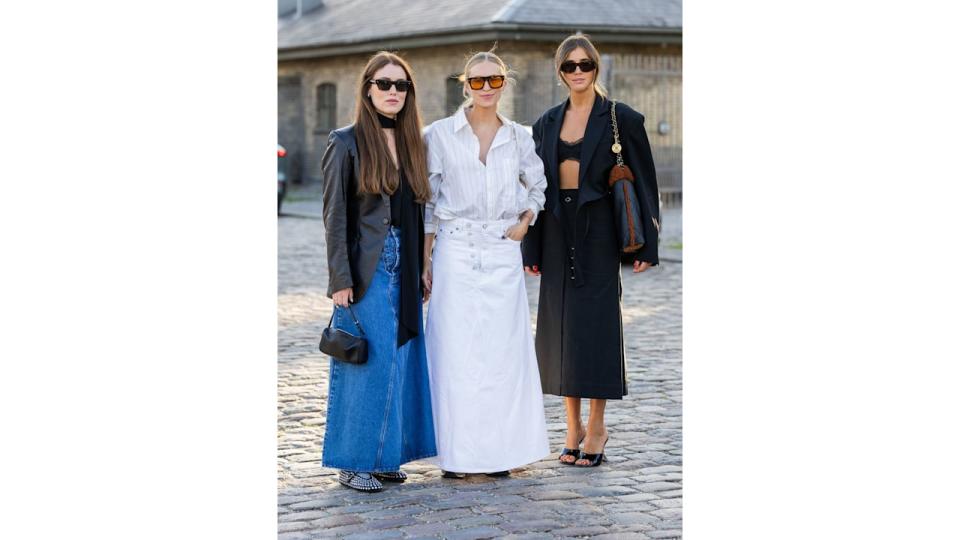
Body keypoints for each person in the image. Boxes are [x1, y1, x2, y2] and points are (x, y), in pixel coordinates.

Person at [522, 34, 660, 467]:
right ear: (559, 72)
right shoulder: (545, 122)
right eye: (570, 66)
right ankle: (572, 426)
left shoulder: (623, 118)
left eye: (585, 65)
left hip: (599, 228)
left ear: (596, 68)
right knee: (561, 327)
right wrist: (531, 247)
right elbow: (533, 187)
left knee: (597, 327)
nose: (578, 72)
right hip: (556, 229)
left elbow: (645, 183)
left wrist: (648, 244)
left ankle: (597, 427)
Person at [422, 49, 550, 478]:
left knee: (502, 355)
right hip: (455, 250)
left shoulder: (520, 136)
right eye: (478, 81)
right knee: (456, 353)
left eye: (494, 80)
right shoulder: (438, 135)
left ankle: (501, 454)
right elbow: (428, 205)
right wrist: (426, 261)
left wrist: (525, 222)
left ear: (504, 83)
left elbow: (538, 186)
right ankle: (457, 455)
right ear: (465, 85)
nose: (487, 88)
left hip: (501, 249)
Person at [320, 51, 437, 492]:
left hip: (406, 262)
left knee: (401, 361)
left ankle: (385, 456)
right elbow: (334, 216)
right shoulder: (346, 141)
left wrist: (424, 265)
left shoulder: (413, 143)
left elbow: (418, 211)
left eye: (401, 85)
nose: (393, 92)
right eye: (384, 84)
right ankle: (353, 462)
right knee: (367, 362)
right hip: (368, 268)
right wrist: (340, 280)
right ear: (368, 89)